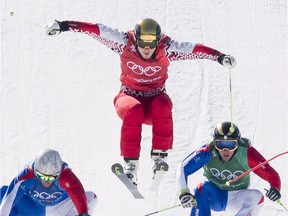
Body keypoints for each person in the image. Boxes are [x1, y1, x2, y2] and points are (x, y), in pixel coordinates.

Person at [46, 18, 236, 185]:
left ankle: (159, 156)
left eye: (151, 44)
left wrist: (220, 57)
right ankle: (130, 164)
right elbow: (95, 30)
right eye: (142, 44)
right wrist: (63, 25)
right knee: (134, 109)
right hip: (128, 97)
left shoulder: (168, 49)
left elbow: (196, 49)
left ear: (158, 41)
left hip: (155, 103)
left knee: (163, 105)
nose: (146, 49)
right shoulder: (123, 42)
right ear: (136, 39)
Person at [176, 122, 281, 216]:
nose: (226, 150)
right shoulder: (207, 151)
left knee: (257, 197)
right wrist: (184, 192)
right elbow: (182, 167)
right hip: (215, 196)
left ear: (238, 143)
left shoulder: (247, 154)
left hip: (238, 197)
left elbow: (270, 174)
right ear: (215, 143)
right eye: (220, 144)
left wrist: (275, 188)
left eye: (231, 145)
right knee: (202, 188)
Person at [0, 148, 97, 216]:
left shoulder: (66, 175)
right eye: (42, 177)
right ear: (35, 170)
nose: (46, 182)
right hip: (34, 209)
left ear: (59, 172)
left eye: (51, 178)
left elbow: (78, 194)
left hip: (58, 207)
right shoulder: (27, 174)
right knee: (4, 191)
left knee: (92, 198)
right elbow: (11, 196)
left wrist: (83, 213)